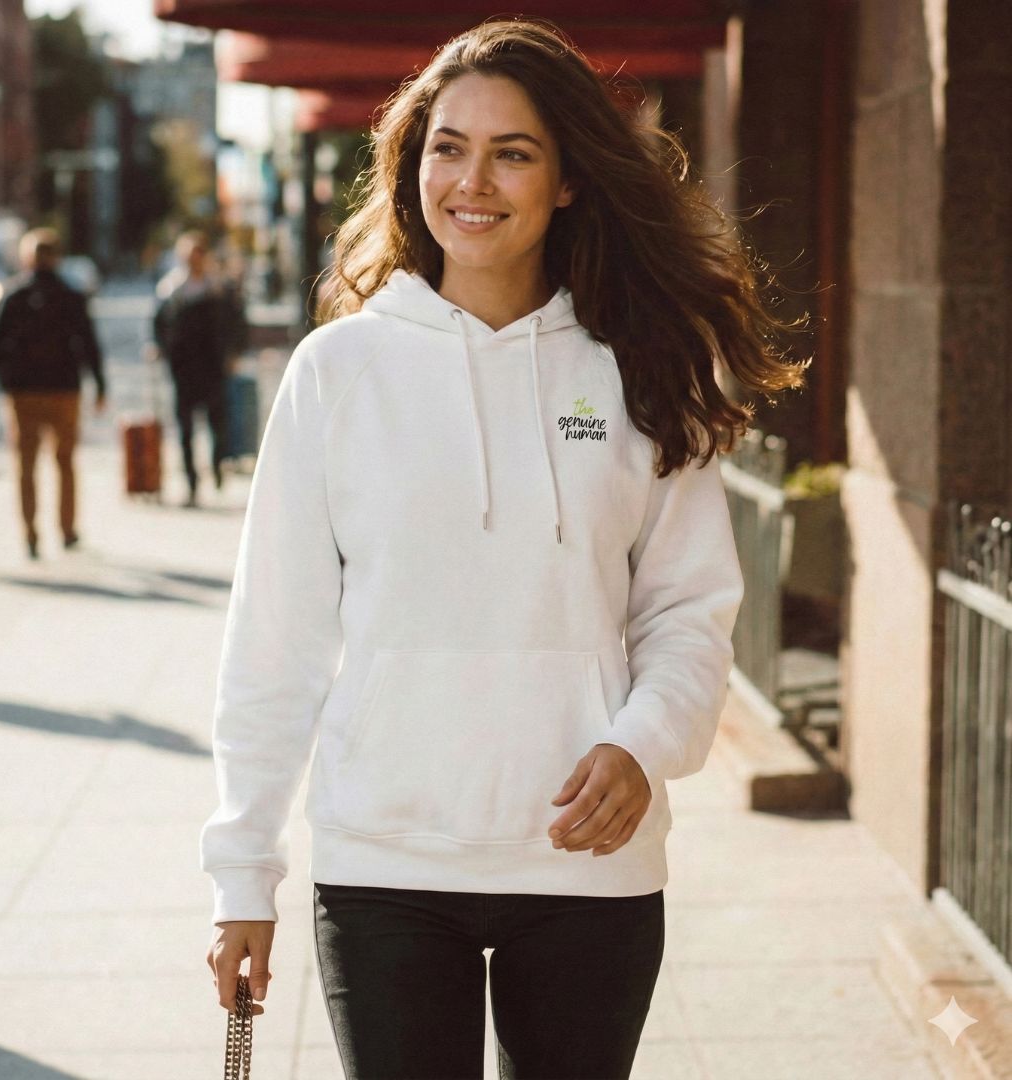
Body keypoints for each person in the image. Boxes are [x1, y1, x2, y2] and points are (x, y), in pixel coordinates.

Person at [203, 18, 809, 1079]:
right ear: (413, 161)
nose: (472, 180)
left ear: (570, 179)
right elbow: (274, 644)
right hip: (386, 858)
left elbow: (688, 608)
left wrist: (643, 742)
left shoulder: (645, 368)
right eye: (449, 146)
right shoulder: (338, 373)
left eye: (512, 152)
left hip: (588, 861)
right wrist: (241, 875)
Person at [0, 228, 106, 560]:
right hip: (62, 389)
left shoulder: (14, 295)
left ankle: (31, 533)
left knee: (27, 465)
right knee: (64, 462)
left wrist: (6, 383)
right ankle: (65, 529)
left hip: (26, 391)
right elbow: (88, 344)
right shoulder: (70, 295)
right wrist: (98, 383)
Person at [153, 230, 247, 508]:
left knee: (218, 422)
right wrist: (159, 348)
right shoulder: (171, 289)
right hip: (183, 366)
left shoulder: (219, 288)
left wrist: (234, 352)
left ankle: (218, 464)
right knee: (185, 428)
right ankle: (191, 482)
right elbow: (159, 326)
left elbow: (237, 322)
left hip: (213, 363)